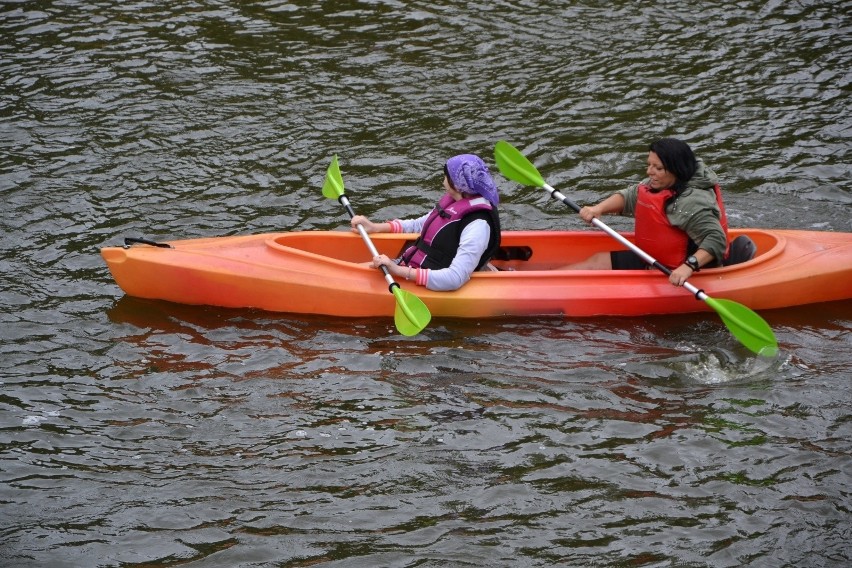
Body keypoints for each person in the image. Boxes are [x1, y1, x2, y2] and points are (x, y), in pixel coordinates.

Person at [565, 138, 730, 287]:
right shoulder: (660, 183)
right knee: (597, 261)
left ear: (676, 170)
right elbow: (630, 196)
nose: (649, 172)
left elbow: (716, 240)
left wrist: (688, 267)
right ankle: (544, 283)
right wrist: (598, 209)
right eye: (649, 165)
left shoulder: (693, 202)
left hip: (685, 271)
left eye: (658, 168)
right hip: (655, 259)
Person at [350, 154, 501, 291]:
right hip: (411, 265)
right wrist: (375, 227)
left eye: (445, 177)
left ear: (456, 185)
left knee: (353, 278)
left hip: (432, 280)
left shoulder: (478, 225)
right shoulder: (456, 200)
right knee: (355, 270)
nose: (443, 182)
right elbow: (419, 224)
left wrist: (397, 270)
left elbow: (455, 279)